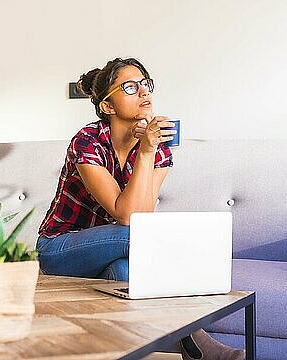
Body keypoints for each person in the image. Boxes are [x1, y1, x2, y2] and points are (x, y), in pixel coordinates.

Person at [36, 58, 244, 360]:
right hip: (60, 248)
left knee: (122, 272)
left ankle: (134, 350)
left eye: (146, 84)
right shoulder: (88, 141)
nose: (144, 93)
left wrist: (149, 151)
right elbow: (126, 217)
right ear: (108, 107)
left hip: (114, 251)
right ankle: (196, 332)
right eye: (131, 87)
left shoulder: (159, 148)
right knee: (137, 236)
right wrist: (146, 150)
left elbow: (142, 216)